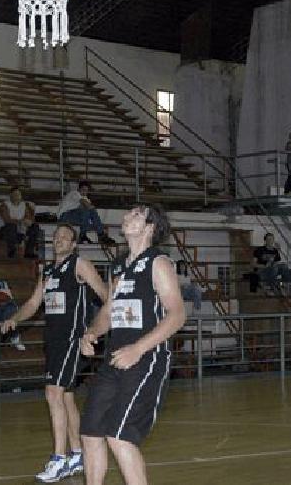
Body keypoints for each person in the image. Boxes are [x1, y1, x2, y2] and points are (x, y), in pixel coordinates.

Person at [79, 203, 186, 485]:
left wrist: (138, 348)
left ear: (149, 227)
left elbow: (177, 314)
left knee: (120, 435)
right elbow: (109, 311)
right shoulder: (119, 265)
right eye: (128, 212)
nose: (127, 216)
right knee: (90, 432)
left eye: (136, 214)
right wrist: (92, 333)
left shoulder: (158, 262)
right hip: (114, 359)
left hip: (146, 360)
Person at [1, 224, 109, 482]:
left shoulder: (79, 265)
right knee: (66, 397)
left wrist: (95, 331)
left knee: (53, 393)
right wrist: (15, 319)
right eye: (56, 236)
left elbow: (107, 296)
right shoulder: (47, 271)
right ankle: (76, 454)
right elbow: (33, 303)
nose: (58, 240)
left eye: (64, 238)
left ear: (73, 245)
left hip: (73, 340)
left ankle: (58, 458)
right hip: (53, 341)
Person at [57, 181, 115, 245]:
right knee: (87, 211)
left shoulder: (85, 198)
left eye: (86, 190)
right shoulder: (74, 193)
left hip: (75, 217)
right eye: (83, 190)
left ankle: (86, 234)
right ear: (79, 189)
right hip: (64, 216)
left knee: (88, 214)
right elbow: (87, 205)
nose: (84, 192)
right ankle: (100, 234)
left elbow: (89, 212)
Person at [0, 186, 41, 258]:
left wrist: (29, 220)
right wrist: (21, 222)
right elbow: (7, 220)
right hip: (5, 230)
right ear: (10, 195)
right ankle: (11, 251)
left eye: (18, 194)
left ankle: (29, 252)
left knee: (34, 227)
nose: (16, 196)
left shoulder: (24, 205)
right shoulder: (4, 205)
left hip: (20, 229)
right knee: (11, 226)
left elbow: (28, 217)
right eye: (14, 194)